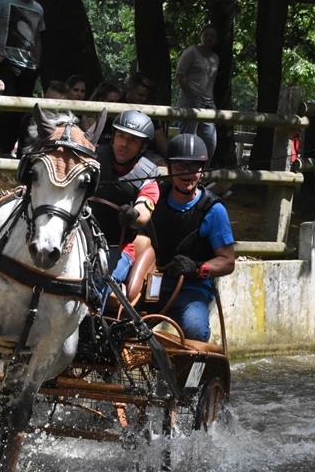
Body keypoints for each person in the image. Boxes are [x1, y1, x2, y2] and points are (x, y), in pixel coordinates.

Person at [135, 133, 235, 342]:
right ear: (170, 168)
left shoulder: (213, 210)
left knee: (195, 330)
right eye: (180, 167)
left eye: (193, 167)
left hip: (192, 287)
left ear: (202, 169)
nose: (187, 173)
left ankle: (190, 371)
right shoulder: (156, 196)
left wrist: (198, 267)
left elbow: (227, 262)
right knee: (123, 321)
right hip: (153, 282)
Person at [91, 110, 160, 287]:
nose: (124, 144)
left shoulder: (149, 176)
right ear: (113, 136)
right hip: (81, 239)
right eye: (121, 136)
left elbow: (145, 209)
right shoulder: (92, 159)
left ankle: (95, 315)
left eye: (133, 140)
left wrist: (133, 215)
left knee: (100, 280)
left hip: (118, 248)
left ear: (142, 147)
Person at [0, 0, 45, 157]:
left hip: (29, 67)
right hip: (7, 63)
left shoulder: (38, 9)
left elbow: (37, 38)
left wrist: (37, 64)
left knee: (24, 112)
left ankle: (20, 155)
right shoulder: (3, 1)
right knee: (5, 110)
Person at [176, 26, 220, 162]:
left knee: (210, 142)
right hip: (191, 101)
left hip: (209, 103)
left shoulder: (215, 58)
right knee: (187, 140)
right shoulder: (191, 52)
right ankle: (181, 170)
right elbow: (180, 75)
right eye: (206, 34)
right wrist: (191, 95)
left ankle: (201, 175)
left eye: (212, 35)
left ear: (216, 39)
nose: (209, 38)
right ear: (201, 36)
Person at [81, 79, 122, 144]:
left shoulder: (119, 118)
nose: (115, 105)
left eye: (117, 102)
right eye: (111, 101)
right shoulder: (88, 117)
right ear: (101, 100)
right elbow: (90, 140)